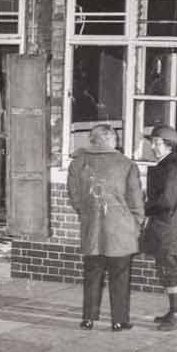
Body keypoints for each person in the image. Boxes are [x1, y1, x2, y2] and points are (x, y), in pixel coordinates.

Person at [66, 123, 144, 331]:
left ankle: (88, 318)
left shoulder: (77, 163)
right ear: (111, 141)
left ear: (92, 141)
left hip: (92, 231)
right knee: (120, 277)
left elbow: (74, 197)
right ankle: (119, 321)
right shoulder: (126, 165)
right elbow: (136, 201)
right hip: (120, 231)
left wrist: (87, 215)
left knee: (92, 275)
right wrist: (136, 224)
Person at [141, 125, 177, 330]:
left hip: (171, 232)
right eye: (152, 142)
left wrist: (143, 206)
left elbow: (166, 202)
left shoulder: (172, 169)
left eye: (156, 142)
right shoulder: (169, 166)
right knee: (168, 270)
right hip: (168, 229)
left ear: (169, 145)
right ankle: (174, 311)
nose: (152, 146)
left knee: (174, 271)